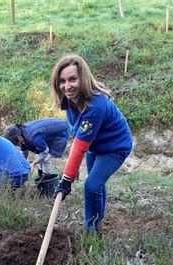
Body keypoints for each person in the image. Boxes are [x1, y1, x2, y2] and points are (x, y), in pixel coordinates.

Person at [51, 54, 133, 233]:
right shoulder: (69, 99)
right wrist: (69, 175)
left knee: (92, 185)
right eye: (62, 81)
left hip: (115, 146)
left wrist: (66, 180)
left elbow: (80, 145)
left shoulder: (96, 105)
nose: (67, 86)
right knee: (97, 185)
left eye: (72, 79)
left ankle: (92, 232)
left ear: (83, 78)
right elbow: (79, 135)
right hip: (94, 145)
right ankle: (99, 220)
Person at [3, 118, 70, 178]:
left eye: (17, 142)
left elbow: (45, 151)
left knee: (45, 159)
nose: (18, 145)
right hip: (51, 129)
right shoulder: (22, 133)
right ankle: (42, 177)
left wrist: (33, 164)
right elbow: (24, 152)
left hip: (61, 132)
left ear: (19, 137)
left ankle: (47, 179)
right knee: (39, 156)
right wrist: (22, 164)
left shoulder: (34, 137)